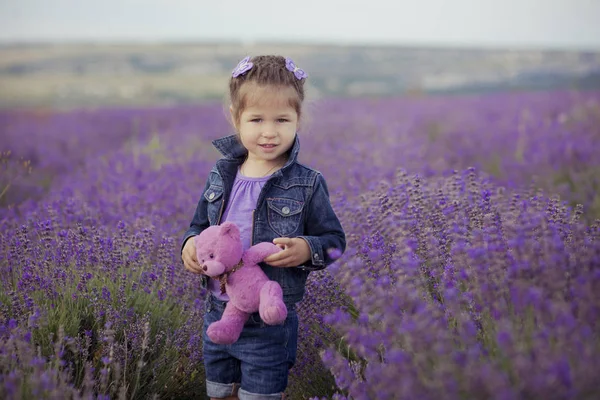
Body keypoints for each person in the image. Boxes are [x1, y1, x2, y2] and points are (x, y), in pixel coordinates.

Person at [180, 55, 346, 400]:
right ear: (234, 117)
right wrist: (190, 244)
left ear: (298, 119)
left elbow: (334, 241)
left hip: (269, 319)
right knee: (218, 389)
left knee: (261, 394)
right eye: (256, 119)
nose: (269, 131)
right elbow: (199, 224)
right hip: (217, 309)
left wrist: (306, 249)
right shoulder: (222, 174)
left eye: (282, 120)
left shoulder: (307, 183)